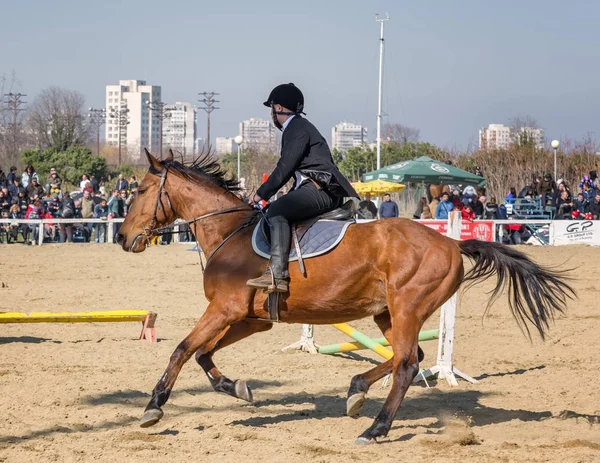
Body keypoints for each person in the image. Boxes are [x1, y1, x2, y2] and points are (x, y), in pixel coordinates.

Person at [246, 83, 358, 293]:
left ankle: (277, 275)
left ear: (278, 107)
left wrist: (261, 194)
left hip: (321, 190)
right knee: (280, 206)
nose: (271, 114)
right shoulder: (299, 127)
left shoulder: (296, 128)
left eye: (271, 108)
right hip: (316, 188)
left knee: (277, 210)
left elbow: (285, 167)